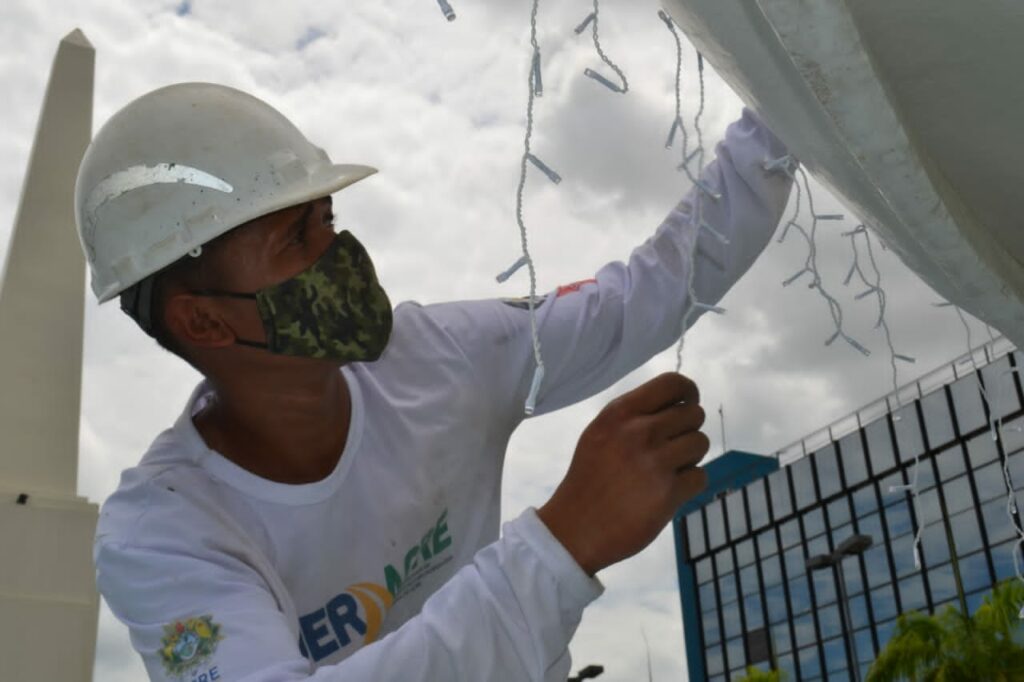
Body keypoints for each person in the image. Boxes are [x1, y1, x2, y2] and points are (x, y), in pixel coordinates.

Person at [80, 82, 794, 681]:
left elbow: (644, 294)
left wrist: (782, 114)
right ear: (203, 323)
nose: (340, 252)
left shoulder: (439, 357)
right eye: (296, 238)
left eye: (328, 217)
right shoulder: (165, 533)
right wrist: (561, 544)